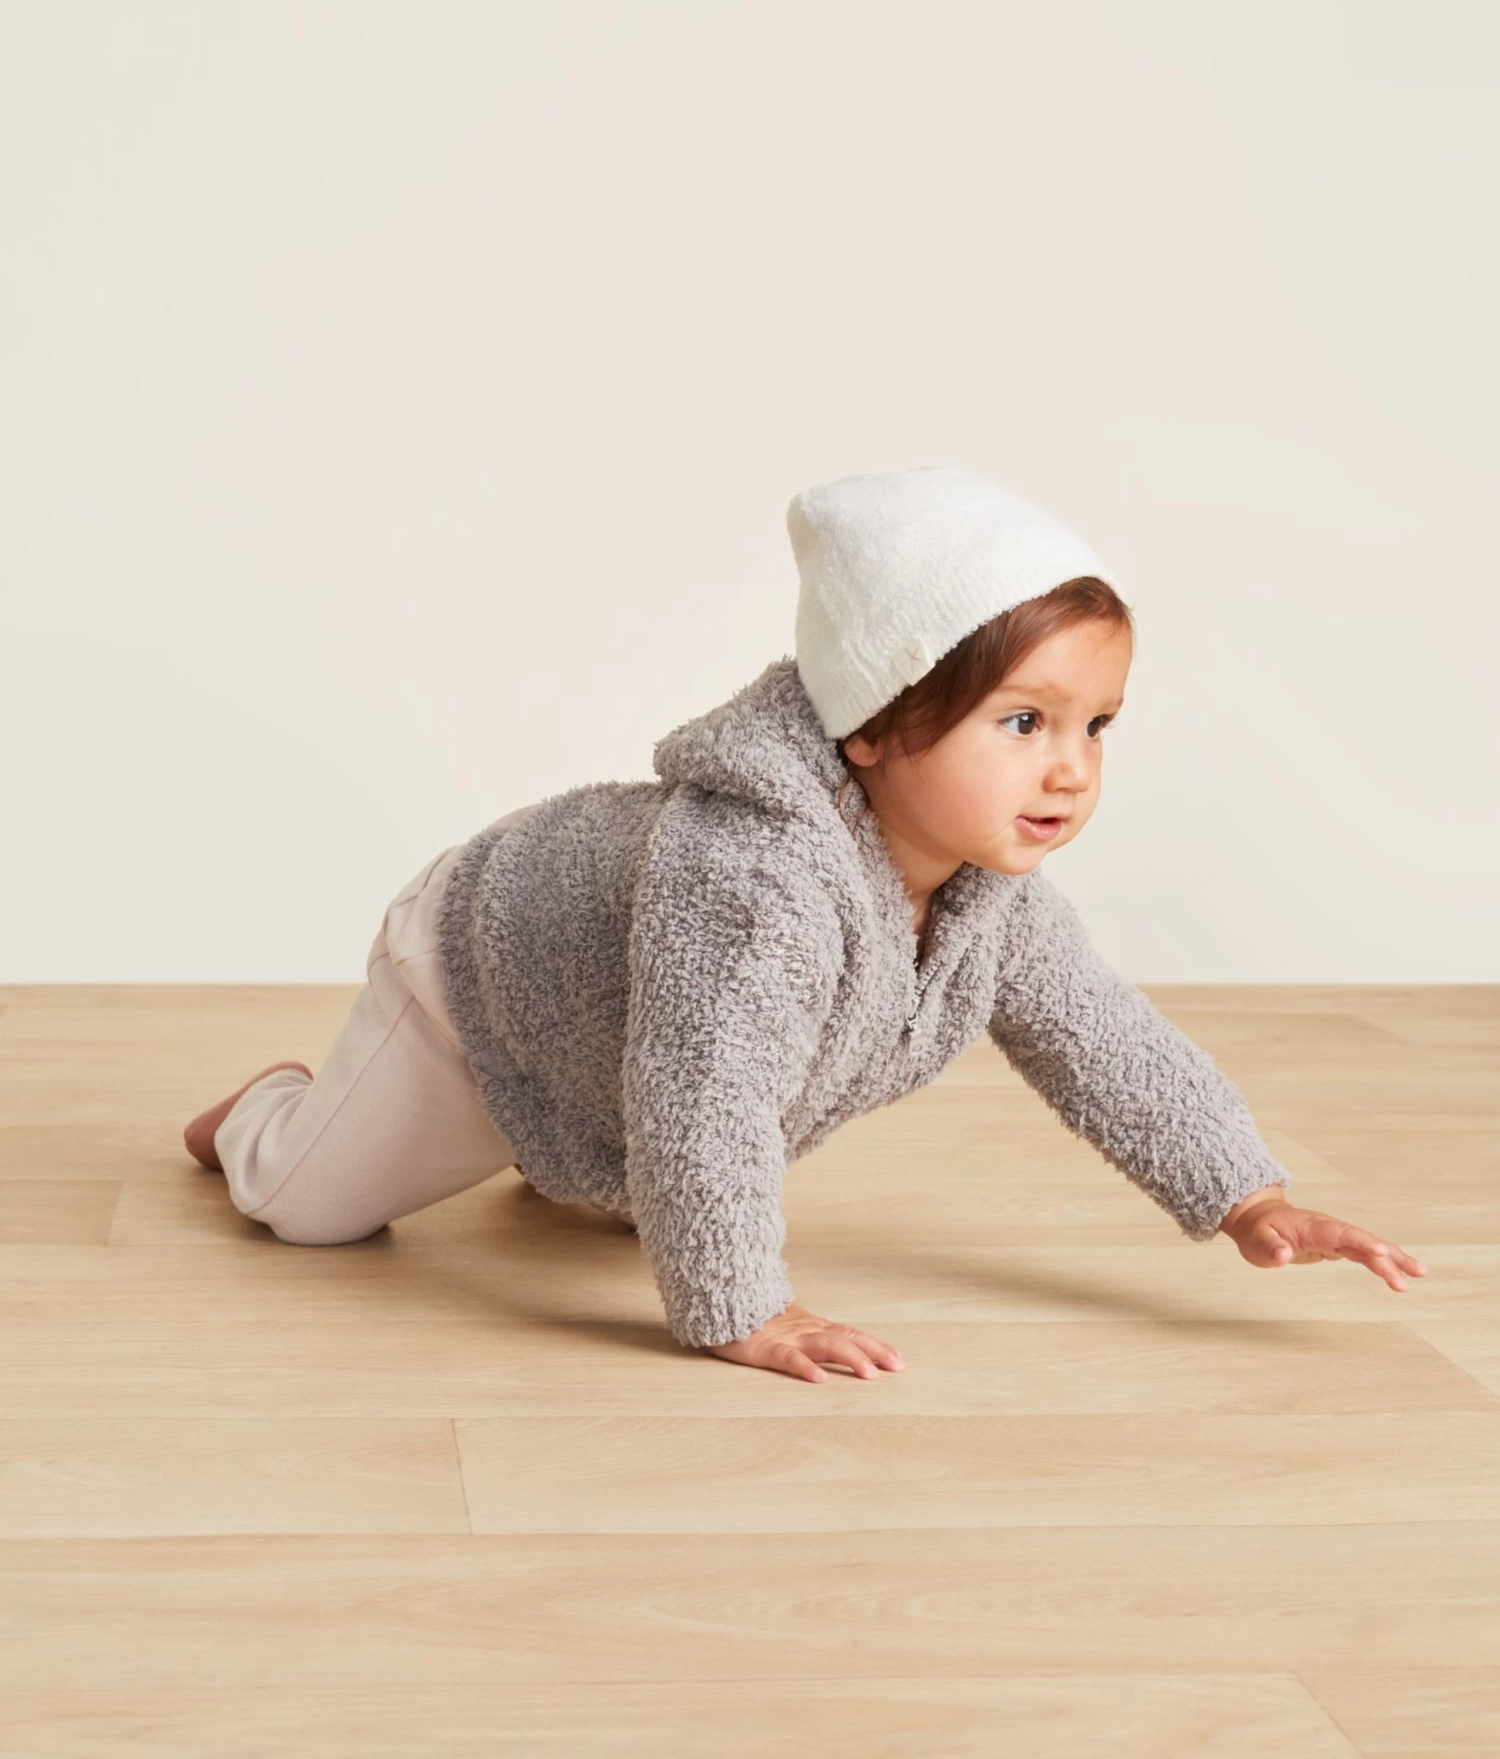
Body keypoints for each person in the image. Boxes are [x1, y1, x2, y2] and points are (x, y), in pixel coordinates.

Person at [185, 465, 1427, 1383]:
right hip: (479, 971)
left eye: (1095, 725)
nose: (1070, 768)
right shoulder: (754, 878)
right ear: (872, 724)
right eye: (1022, 721)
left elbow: (1104, 1038)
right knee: (308, 1211)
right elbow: (707, 1092)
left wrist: (1247, 1196)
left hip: (614, 1029)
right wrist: (740, 1305)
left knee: (644, 1173)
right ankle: (271, 1108)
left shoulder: (991, 895)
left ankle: (558, 1143)